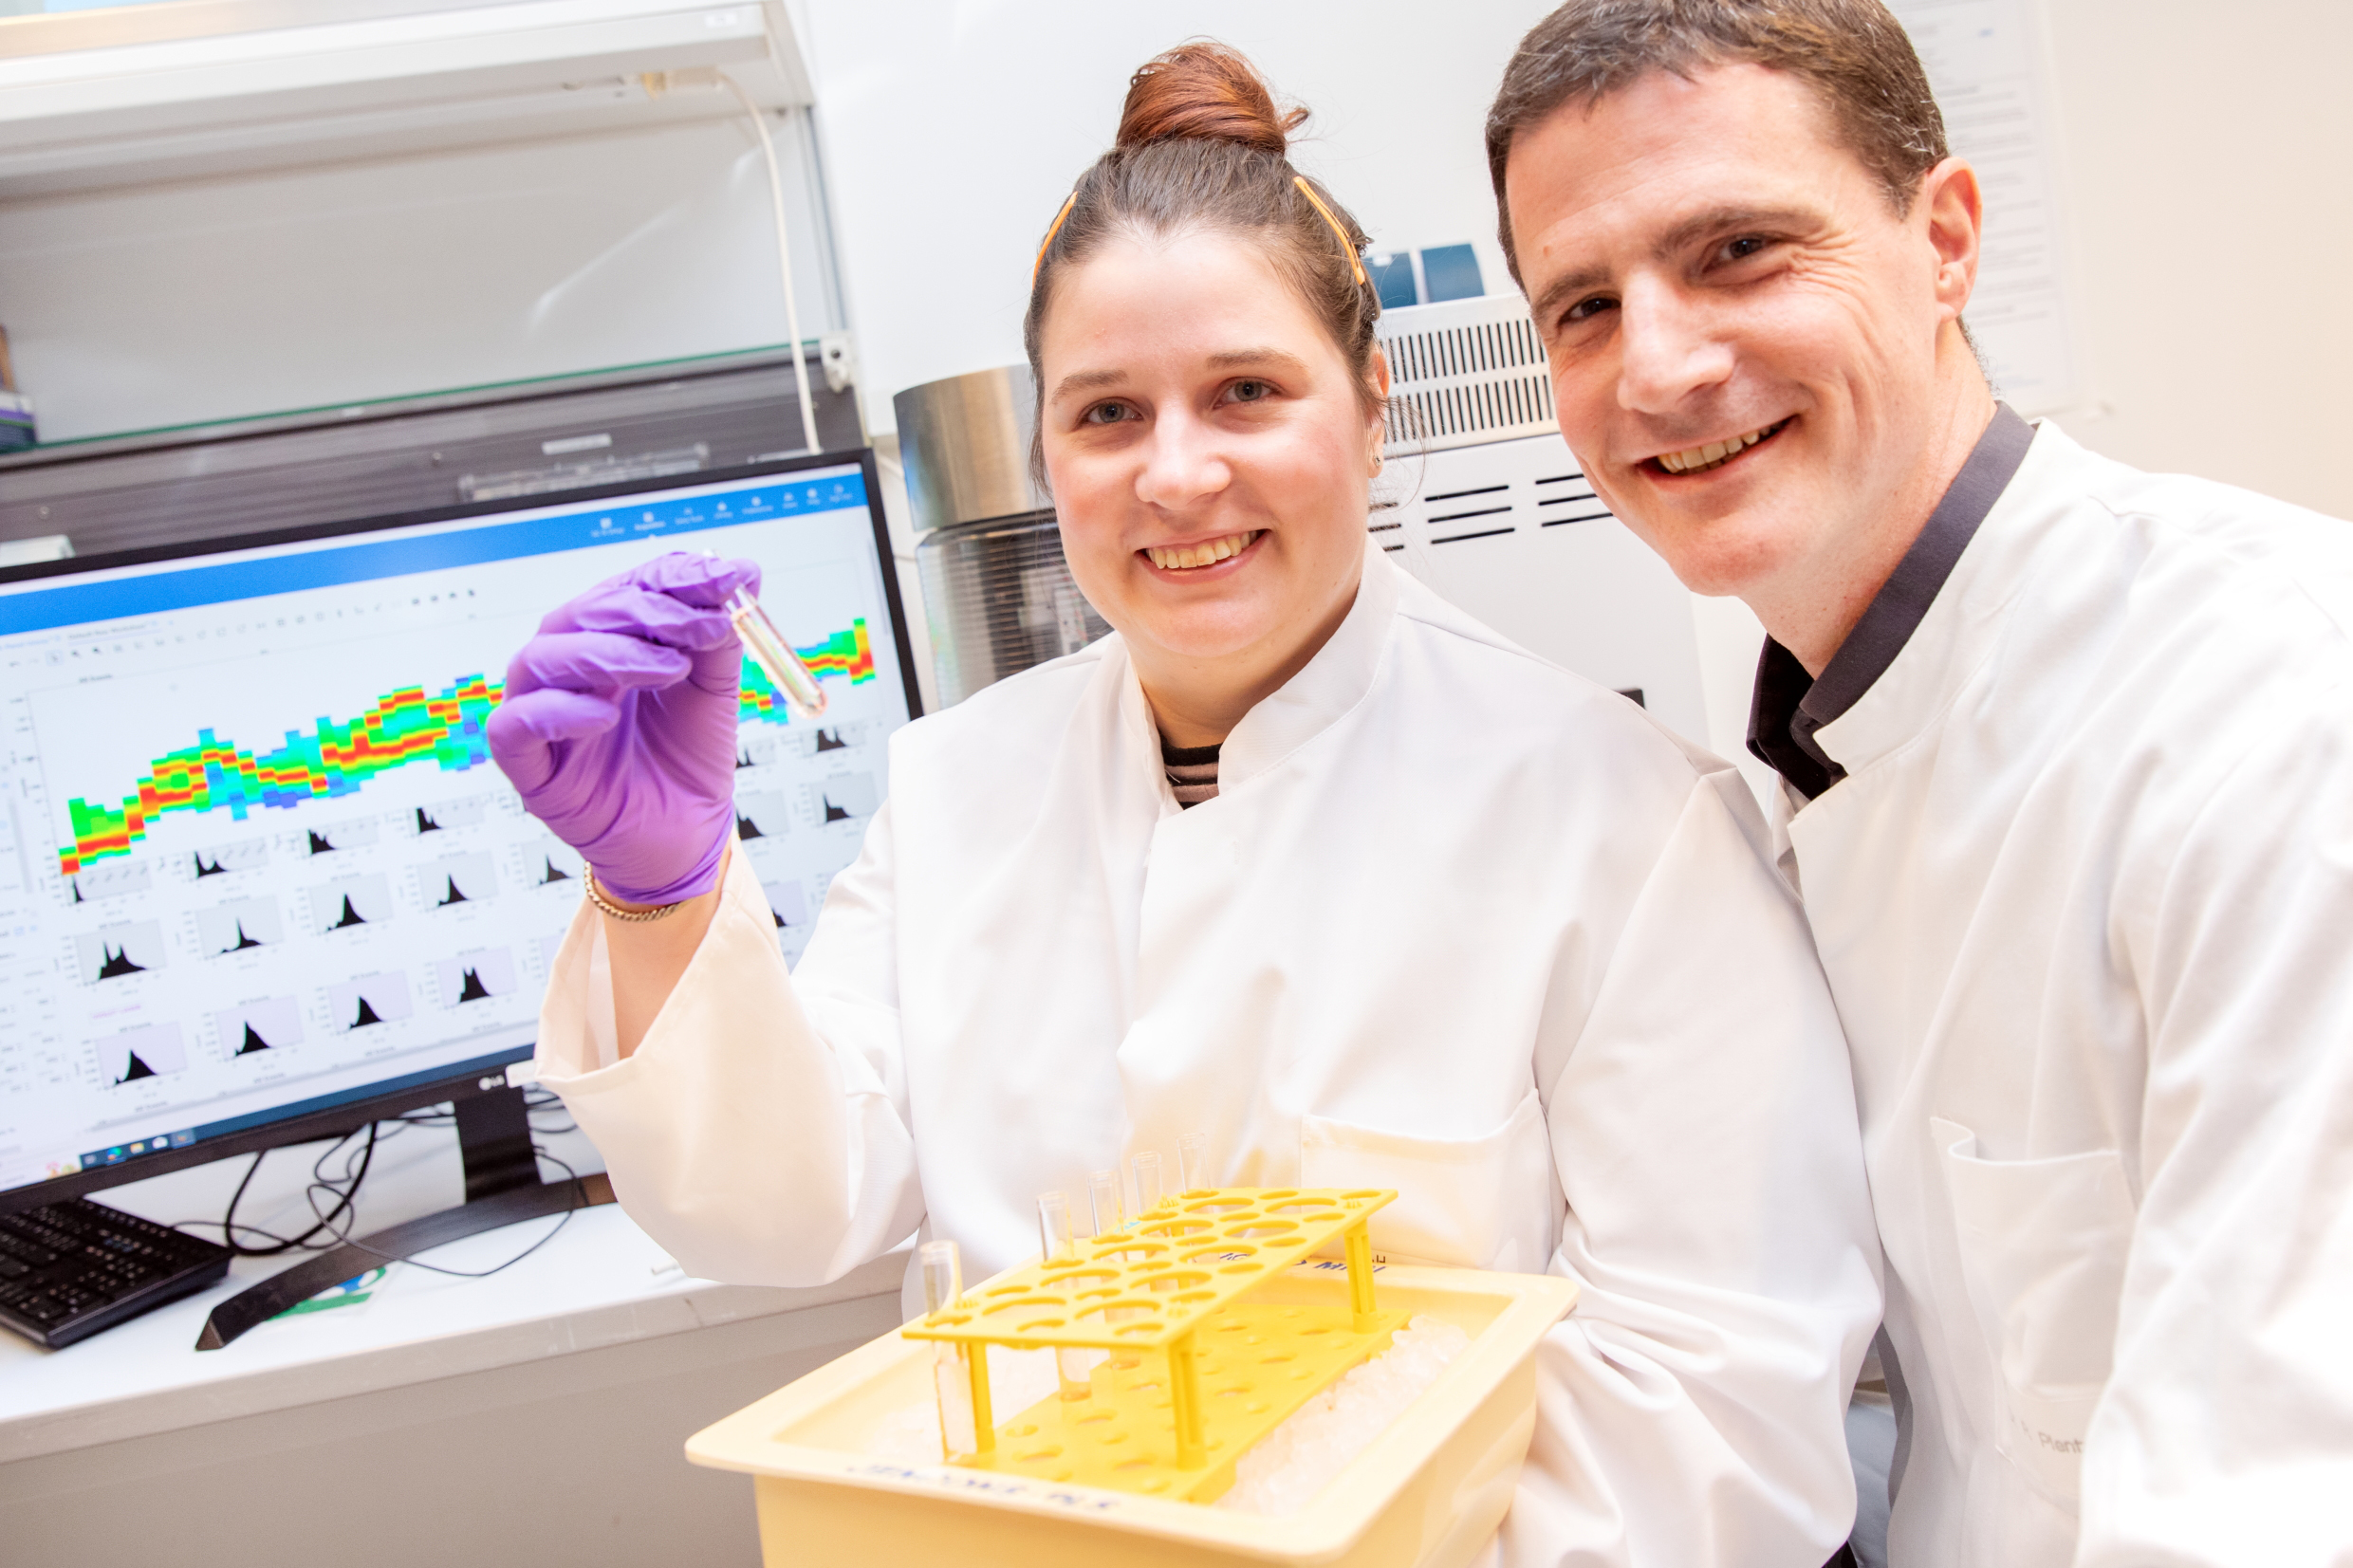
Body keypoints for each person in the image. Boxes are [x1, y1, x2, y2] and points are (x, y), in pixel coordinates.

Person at [495, 42, 1881, 1566]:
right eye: (1105, 414)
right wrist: (660, 894)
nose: (1176, 474)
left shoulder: (1620, 821)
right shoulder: (961, 786)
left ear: (1368, 408)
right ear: (1044, 448)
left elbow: (1714, 1424)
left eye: (1246, 393)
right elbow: (786, 1202)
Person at [1484, 2, 2353, 1564]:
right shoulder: (1815, 765)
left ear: (1944, 238)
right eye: (1584, 307)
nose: (1662, 364)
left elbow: (2270, 1505)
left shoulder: (2273, 708)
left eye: (1739, 249)